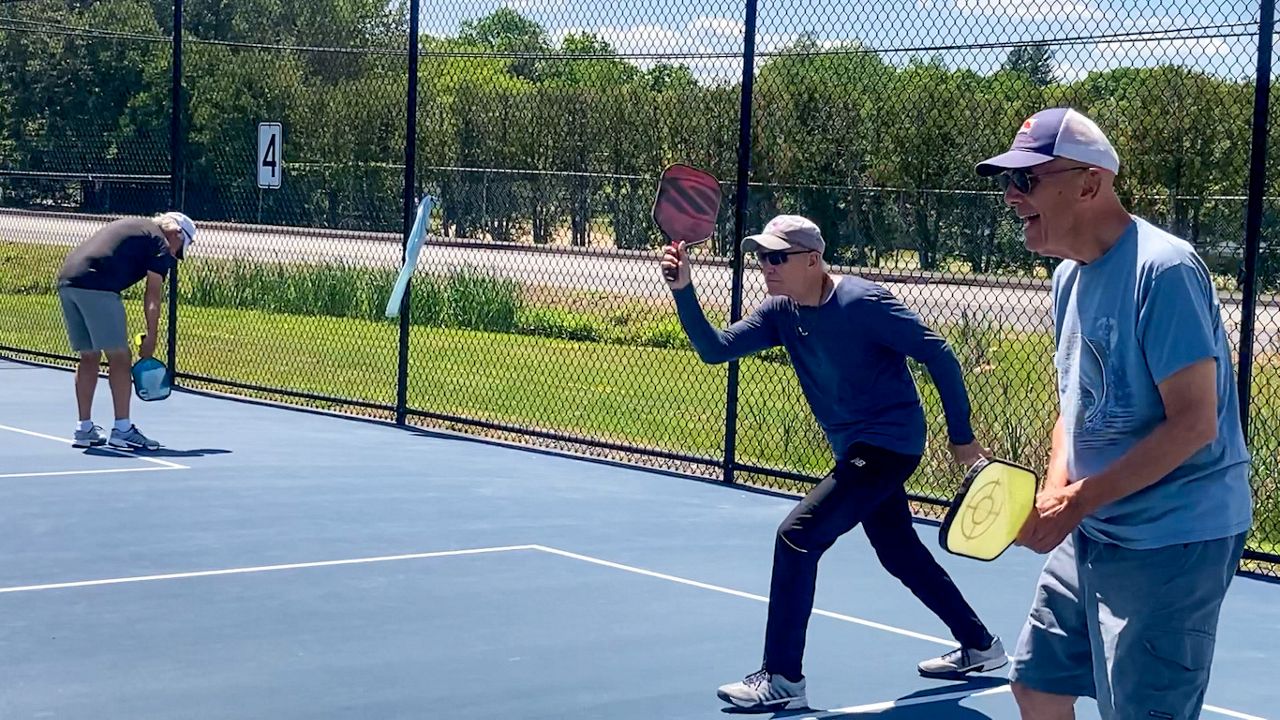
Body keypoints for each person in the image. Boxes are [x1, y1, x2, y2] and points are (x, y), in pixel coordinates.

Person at [660, 215, 1007, 712]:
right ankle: (980, 645)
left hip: (890, 444)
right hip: (856, 450)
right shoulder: (781, 311)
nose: (766, 266)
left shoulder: (861, 303)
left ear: (812, 261)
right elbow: (715, 349)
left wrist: (963, 441)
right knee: (898, 551)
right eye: (761, 256)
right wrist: (683, 289)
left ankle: (782, 678)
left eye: (777, 257)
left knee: (797, 536)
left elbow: (941, 355)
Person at [975, 107, 1253, 720]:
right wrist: (1053, 493)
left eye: (1027, 181)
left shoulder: (1165, 269)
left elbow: (1193, 423)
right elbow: (1074, 403)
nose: (1012, 198)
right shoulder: (1066, 279)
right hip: (1096, 525)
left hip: (1174, 536)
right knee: (1037, 687)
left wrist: (1075, 503)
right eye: (1007, 182)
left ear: (1089, 183)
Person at [56, 211, 197, 451]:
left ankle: (84, 428)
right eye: (180, 247)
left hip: (68, 281)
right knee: (120, 357)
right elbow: (153, 295)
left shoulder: (137, 226)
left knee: (89, 355)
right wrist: (151, 336)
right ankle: (122, 430)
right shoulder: (159, 243)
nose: (175, 254)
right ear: (175, 233)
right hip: (98, 286)